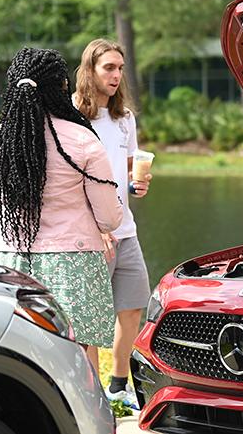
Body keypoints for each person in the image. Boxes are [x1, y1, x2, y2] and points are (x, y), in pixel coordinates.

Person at [0, 47, 123, 369]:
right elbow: (109, 219)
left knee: (11, 359)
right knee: (77, 361)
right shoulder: (82, 140)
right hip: (73, 266)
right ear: (62, 87)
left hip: (3, 266)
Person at [74, 39, 151, 408]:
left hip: (125, 227)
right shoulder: (72, 115)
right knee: (88, 319)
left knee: (134, 304)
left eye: (120, 68)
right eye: (109, 68)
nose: (117, 75)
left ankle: (118, 383)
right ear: (90, 70)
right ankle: (90, 398)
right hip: (90, 233)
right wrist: (98, 227)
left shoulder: (124, 119)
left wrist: (139, 183)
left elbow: (131, 167)